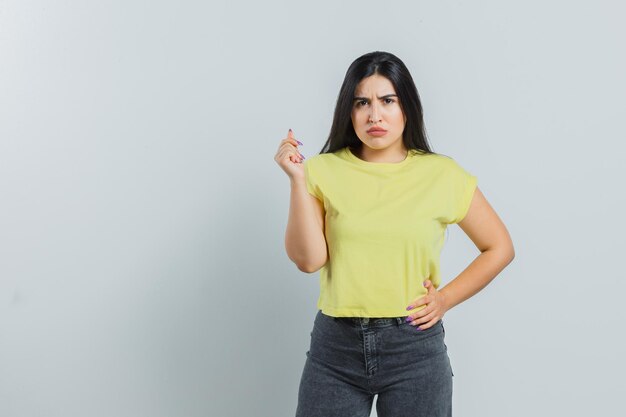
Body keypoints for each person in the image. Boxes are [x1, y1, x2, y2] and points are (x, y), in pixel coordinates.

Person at [274, 51, 515, 417]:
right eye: (362, 103)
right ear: (348, 111)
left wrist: (445, 298)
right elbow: (309, 261)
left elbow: (499, 247)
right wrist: (297, 181)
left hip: (414, 348)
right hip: (336, 349)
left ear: (407, 107)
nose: (375, 115)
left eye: (388, 100)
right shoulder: (321, 170)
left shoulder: (441, 174)